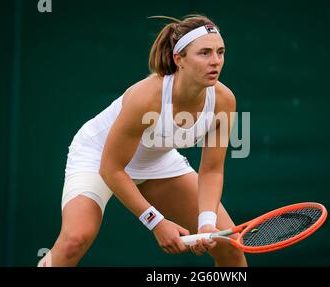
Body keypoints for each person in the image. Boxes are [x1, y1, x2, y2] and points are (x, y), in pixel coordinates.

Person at [38, 14, 247, 267]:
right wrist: (155, 222)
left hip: (156, 160)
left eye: (220, 52)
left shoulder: (224, 101)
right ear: (178, 59)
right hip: (98, 158)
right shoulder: (146, 97)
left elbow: (212, 170)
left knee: (230, 247)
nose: (216, 61)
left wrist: (206, 222)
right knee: (75, 239)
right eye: (204, 53)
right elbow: (111, 169)